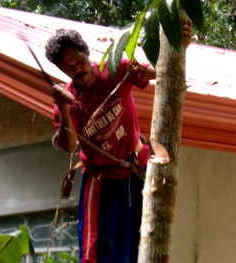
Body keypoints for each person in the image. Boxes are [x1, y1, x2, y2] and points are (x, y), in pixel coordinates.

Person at [46, 23, 189, 263]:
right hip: (102, 182)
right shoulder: (67, 101)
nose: (77, 70)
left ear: (87, 52)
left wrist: (179, 45)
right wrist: (62, 106)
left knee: (143, 246)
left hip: (138, 173)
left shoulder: (116, 69)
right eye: (68, 68)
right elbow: (70, 145)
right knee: (97, 255)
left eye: (79, 61)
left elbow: (160, 72)